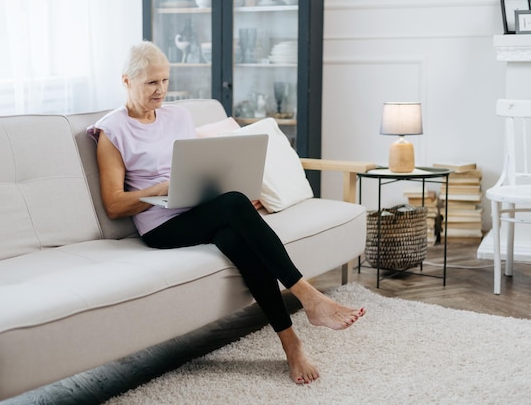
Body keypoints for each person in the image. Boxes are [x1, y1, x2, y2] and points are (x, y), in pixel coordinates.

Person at [87, 40, 365, 385]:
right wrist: (158, 190)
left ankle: (291, 343)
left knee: (235, 235)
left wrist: (219, 186)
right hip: (161, 225)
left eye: (165, 81)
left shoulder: (178, 116)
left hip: (196, 209)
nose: (161, 91)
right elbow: (114, 204)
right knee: (233, 206)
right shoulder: (111, 131)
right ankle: (308, 296)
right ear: (127, 81)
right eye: (151, 83)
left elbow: (198, 168)